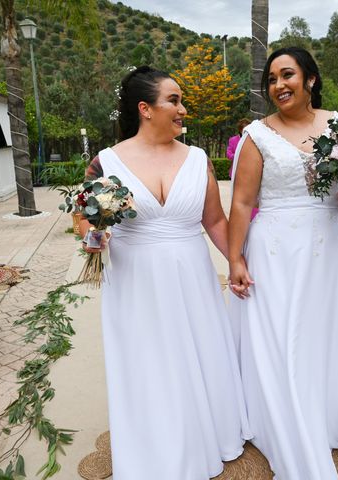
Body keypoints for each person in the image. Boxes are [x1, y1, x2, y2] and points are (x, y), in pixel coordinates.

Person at [228, 47, 338, 478]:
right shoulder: (257, 136)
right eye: (271, 79)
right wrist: (235, 260)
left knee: (330, 331)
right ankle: (287, 418)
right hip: (277, 253)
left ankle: (328, 411)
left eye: (288, 75)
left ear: (310, 80)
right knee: (287, 337)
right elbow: (243, 204)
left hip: (335, 248)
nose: (279, 85)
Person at [81, 66, 250, 479]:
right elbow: (83, 218)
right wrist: (92, 236)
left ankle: (205, 432)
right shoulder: (106, 161)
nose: (182, 109)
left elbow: (213, 220)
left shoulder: (197, 158)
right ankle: (156, 441)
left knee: (199, 349)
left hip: (190, 273)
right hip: (135, 279)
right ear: (145, 109)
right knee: (148, 358)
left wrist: (236, 261)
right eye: (173, 101)